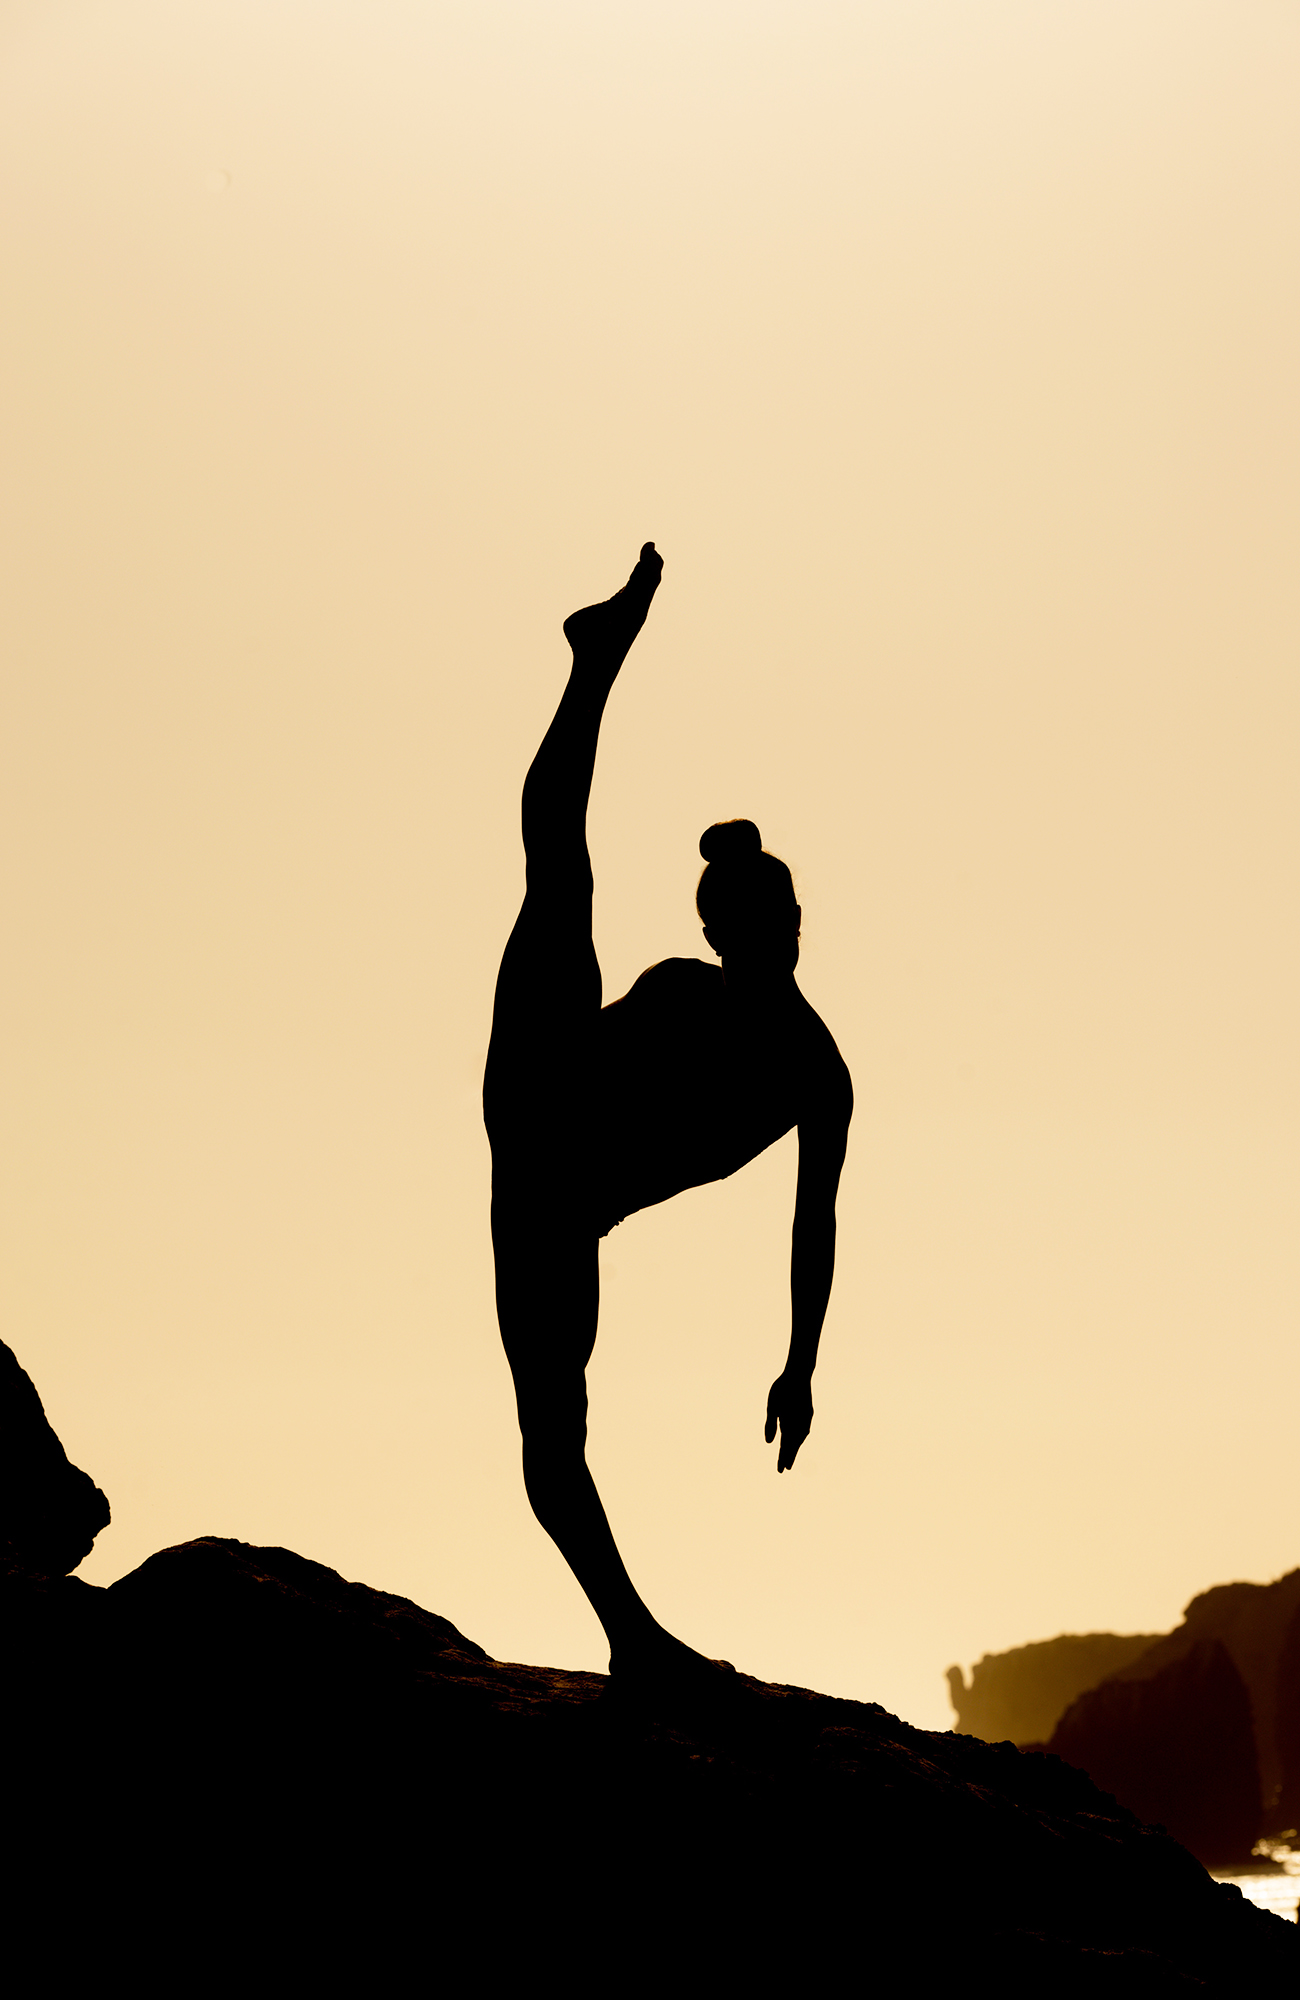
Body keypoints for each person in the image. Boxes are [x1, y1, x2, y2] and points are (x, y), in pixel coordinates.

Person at [483, 543, 852, 1680]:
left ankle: (629, 1638)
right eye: (739, 923)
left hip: (564, 1207)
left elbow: (813, 1222)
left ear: (800, 918)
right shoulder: (683, 990)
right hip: (545, 1078)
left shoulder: (818, 1074)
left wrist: (800, 1361)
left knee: (558, 1437)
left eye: (775, 914)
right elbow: (618, 1050)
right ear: (716, 935)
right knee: (560, 873)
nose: (763, 936)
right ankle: (595, 664)